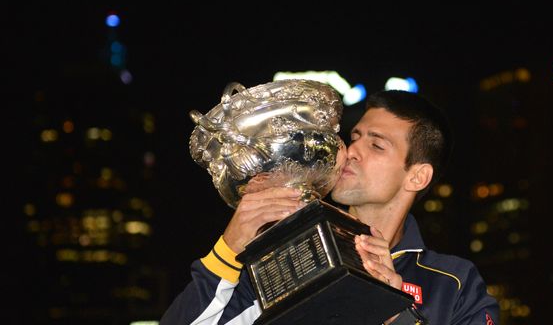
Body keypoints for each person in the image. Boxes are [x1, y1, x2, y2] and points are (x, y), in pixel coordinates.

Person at [160, 90, 500, 324]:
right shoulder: (285, 256)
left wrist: (395, 312)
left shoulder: (453, 282)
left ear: (417, 176)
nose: (352, 152)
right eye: (355, 137)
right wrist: (227, 251)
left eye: (377, 145)